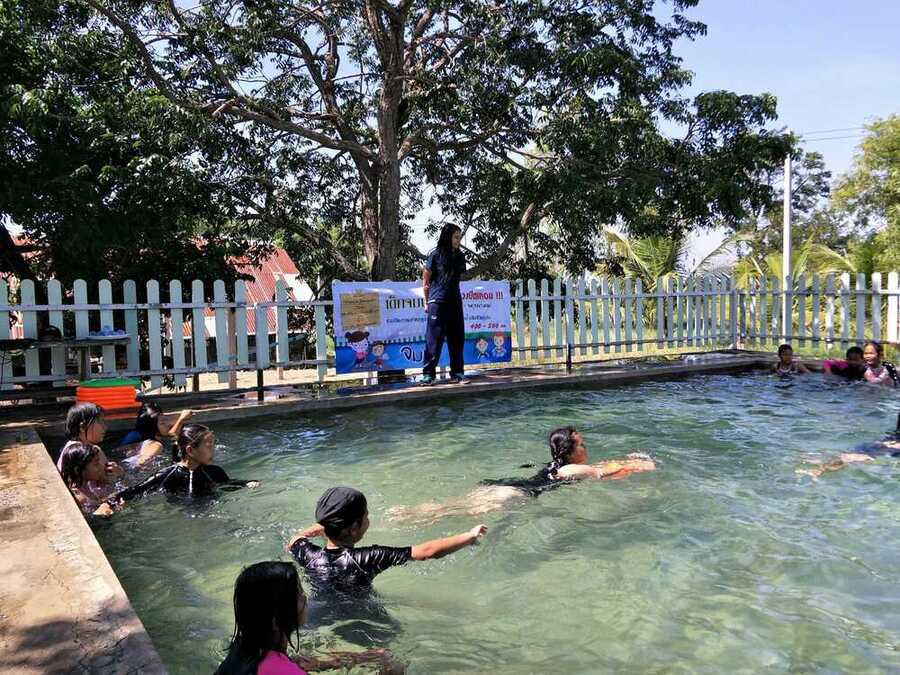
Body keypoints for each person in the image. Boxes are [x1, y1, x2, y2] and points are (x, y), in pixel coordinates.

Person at [387, 427, 656, 524]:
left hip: (504, 485)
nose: (586, 448)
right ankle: (410, 517)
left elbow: (603, 465)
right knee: (453, 512)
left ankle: (409, 512)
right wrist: (639, 465)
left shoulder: (555, 465)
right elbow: (605, 473)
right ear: (570, 452)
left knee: (452, 505)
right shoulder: (570, 470)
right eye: (582, 445)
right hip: (514, 494)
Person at [287, 487, 487, 594]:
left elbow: (295, 539)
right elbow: (428, 552)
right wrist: (469, 536)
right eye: (366, 516)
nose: (368, 520)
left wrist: (321, 526)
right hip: (362, 616)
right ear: (355, 527)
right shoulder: (369, 557)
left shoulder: (308, 555)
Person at [215, 562, 402, 675]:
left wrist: (328, 664)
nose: (305, 598)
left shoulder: (243, 646)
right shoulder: (282, 671)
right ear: (275, 621)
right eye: (297, 594)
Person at [108, 424, 258, 502]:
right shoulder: (167, 475)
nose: (213, 449)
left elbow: (228, 484)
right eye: (209, 445)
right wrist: (109, 502)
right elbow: (136, 491)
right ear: (190, 450)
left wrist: (247, 483)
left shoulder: (215, 472)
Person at [421, 223, 467, 385]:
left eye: (459, 237)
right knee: (434, 341)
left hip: (455, 302)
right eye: (456, 237)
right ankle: (428, 375)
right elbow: (426, 281)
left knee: (457, 339)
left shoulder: (460, 256)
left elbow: (457, 278)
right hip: (437, 302)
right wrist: (426, 302)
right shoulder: (434, 255)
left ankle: (457, 373)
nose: (458, 240)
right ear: (447, 237)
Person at [797, 412, 900, 479]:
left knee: (848, 456)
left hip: (884, 444)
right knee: (851, 457)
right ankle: (818, 469)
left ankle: (818, 465)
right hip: (888, 447)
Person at [117, 402, 194, 468]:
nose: (167, 424)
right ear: (153, 427)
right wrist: (180, 421)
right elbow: (140, 463)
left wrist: (181, 419)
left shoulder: (134, 435)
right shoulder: (156, 445)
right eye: (162, 422)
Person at [58, 441, 124, 516]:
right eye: (96, 464)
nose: (100, 466)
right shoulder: (78, 498)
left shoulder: (90, 483)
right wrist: (101, 513)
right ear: (78, 470)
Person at [56, 402, 107, 471]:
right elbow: (104, 476)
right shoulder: (85, 453)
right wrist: (118, 473)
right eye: (100, 422)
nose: (105, 427)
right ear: (83, 427)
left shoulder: (70, 448)